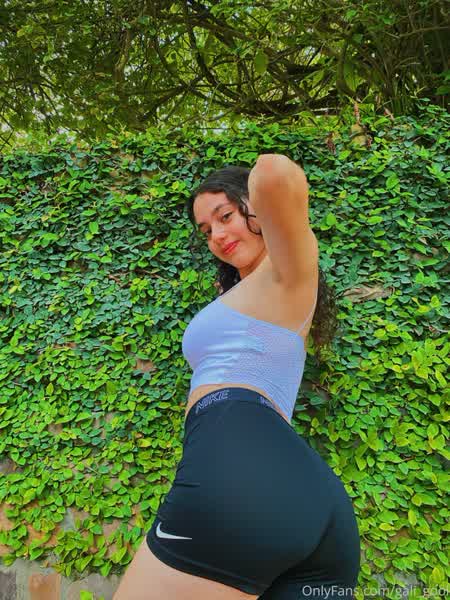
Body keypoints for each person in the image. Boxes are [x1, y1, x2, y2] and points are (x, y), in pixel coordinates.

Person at [113, 154, 361, 599]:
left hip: (237, 466)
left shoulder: (287, 269)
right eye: (206, 230)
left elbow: (275, 173)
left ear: (253, 208)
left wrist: (260, 201)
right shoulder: (252, 293)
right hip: (310, 501)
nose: (217, 235)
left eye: (225, 216)